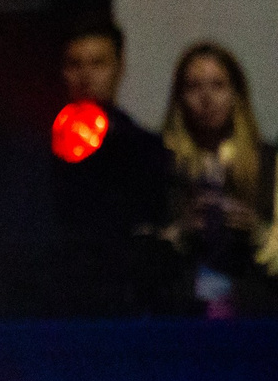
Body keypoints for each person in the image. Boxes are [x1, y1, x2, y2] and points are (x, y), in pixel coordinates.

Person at [48, 19, 176, 317]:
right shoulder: (33, 150)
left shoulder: (144, 147)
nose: (86, 75)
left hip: (125, 301)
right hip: (59, 301)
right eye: (74, 64)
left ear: (119, 67)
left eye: (98, 63)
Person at [159, 42, 277, 316]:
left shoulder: (268, 162)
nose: (206, 98)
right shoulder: (159, 161)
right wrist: (179, 234)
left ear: (236, 94)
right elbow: (136, 250)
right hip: (178, 313)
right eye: (193, 87)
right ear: (179, 98)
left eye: (218, 86)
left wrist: (258, 233)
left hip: (255, 311)